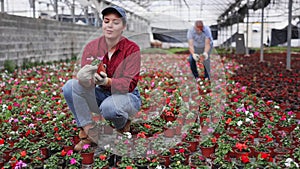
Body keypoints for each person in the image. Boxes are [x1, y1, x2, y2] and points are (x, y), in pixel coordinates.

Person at [62, 6, 142, 151]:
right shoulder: (92, 47)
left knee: (109, 108)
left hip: (127, 96)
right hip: (101, 93)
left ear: (123, 26)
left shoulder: (132, 49)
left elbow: (129, 84)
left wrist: (107, 81)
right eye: (106, 21)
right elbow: (87, 82)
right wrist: (84, 79)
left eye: (116, 22)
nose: (110, 25)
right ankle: (88, 133)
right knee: (70, 86)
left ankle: (122, 126)